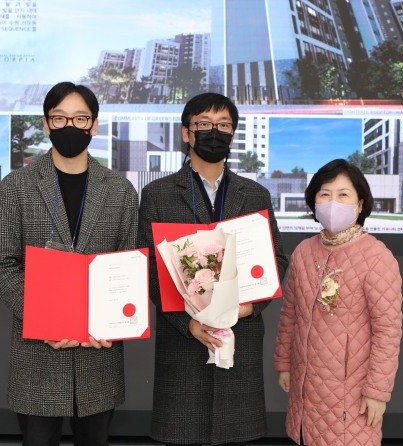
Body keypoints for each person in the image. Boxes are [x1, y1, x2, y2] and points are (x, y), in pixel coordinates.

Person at [0, 81, 138, 446]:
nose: (70, 126)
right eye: (60, 117)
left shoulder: (120, 190)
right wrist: (44, 318)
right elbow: (1, 265)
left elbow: (129, 266)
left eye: (80, 117)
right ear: (46, 123)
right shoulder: (16, 186)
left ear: (94, 125)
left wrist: (113, 322)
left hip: (99, 353)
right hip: (38, 354)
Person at [138, 92, 289, 445]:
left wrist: (252, 306)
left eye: (224, 126)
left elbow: (276, 259)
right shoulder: (158, 194)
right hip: (183, 343)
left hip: (241, 337)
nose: (214, 132)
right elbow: (147, 267)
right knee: (182, 434)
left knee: (237, 435)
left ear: (232, 135)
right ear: (186, 134)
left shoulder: (255, 194)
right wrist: (186, 323)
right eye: (204, 124)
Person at [274, 159, 403, 446]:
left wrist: (377, 391)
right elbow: (290, 315)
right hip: (307, 387)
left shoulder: (377, 257)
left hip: (353, 392)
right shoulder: (303, 252)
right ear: (314, 203)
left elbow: (387, 332)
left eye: (344, 194)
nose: (334, 202)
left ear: (360, 204)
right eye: (325, 194)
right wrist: (284, 362)